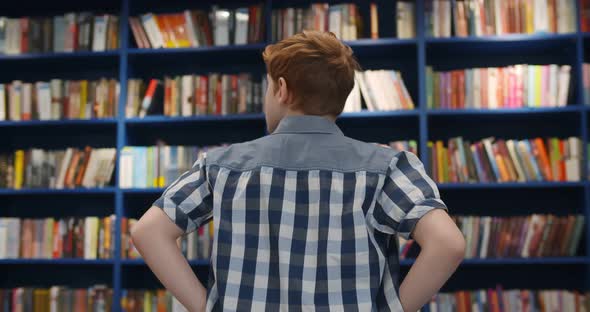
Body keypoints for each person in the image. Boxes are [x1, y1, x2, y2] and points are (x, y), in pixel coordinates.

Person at [131, 30, 465, 312]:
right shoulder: (388, 167)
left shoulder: (221, 166)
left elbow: (149, 232)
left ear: (281, 89)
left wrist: (206, 307)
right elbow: (448, 244)